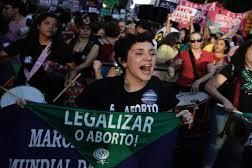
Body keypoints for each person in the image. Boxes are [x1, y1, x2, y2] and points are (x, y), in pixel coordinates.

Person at [76, 33, 193, 168]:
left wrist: (182, 119)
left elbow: (166, 122)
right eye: (139, 53)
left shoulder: (159, 87)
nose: (148, 58)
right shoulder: (101, 88)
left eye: (152, 53)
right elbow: (77, 122)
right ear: (123, 61)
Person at [202, 39, 252, 168]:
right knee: (216, 146)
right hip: (225, 114)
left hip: (246, 117)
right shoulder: (232, 68)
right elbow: (209, 86)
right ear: (245, 51)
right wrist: (225, 100)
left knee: (238, 150)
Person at [0, 12, 73, 103]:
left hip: (47, 94)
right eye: (47, 23)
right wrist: (10, 74)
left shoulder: (64, 47)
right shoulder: (25, 42)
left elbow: (71, 67)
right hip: (22, 89)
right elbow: (3, 55)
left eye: (55, 25)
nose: (51, 27)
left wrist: (59, 70)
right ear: (38, 26)